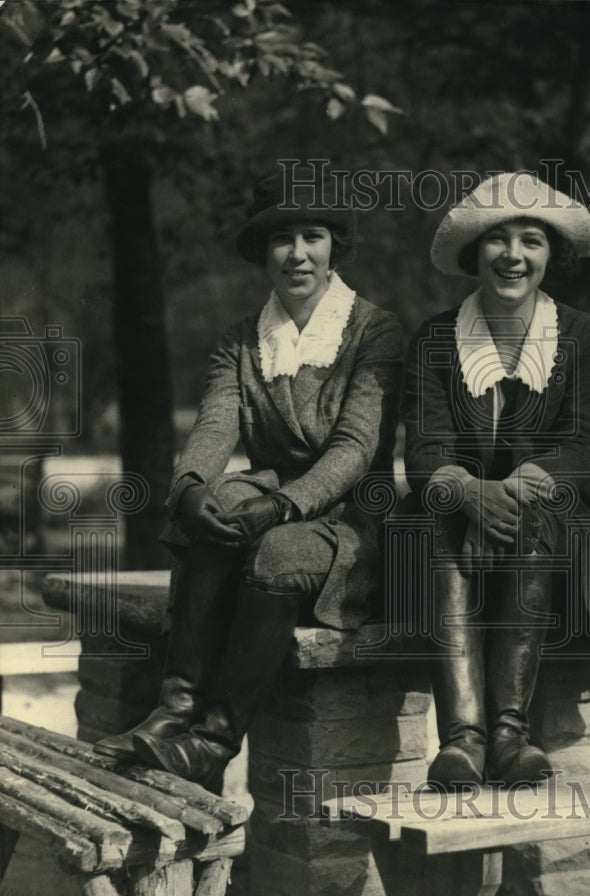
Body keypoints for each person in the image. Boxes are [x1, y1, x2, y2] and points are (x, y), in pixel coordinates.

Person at [94, 169, 404, 791]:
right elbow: (215, 425)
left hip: (349, 519)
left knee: (276, 550)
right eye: (282, 239)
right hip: (267, 507)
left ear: (334, 247)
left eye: (312, 237)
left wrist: (285, 504)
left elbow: (354, 448)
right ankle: (173, 709)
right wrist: (190, 486)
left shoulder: (375, 332)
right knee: (214, 511)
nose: (297, 254)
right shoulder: (242, 340)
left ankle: (214, 740)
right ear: (264, 252)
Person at [401, 171, 590, 791]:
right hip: (455, 524)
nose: (513, 255)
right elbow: (423, 450)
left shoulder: (580, 336)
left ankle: (508, 735)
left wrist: (512, 490)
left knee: (532, 513)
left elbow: (581, 447)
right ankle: (463, 741)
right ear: (475, 252)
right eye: (498, 239)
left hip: (561, 523)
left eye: (531, 241)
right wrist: (470, 493)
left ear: (551, 255)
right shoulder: (436, 338)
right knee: (438, 516)